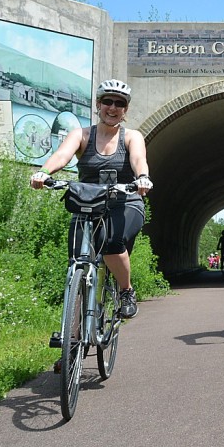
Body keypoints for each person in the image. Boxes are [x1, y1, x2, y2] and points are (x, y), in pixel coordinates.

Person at [29, 78, 153, 320]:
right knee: (76, 264)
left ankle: (126, 291)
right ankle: (72, 343)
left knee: (111, 243)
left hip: (124, 202)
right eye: (108, 101)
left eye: (119, 103)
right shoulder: (82, 135)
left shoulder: (131, 137)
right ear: (98, 104)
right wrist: (44, 172)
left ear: (125, 109)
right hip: (89, 204)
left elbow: (139, 159)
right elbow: (62, 154)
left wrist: (142, 177)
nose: (113, 107)